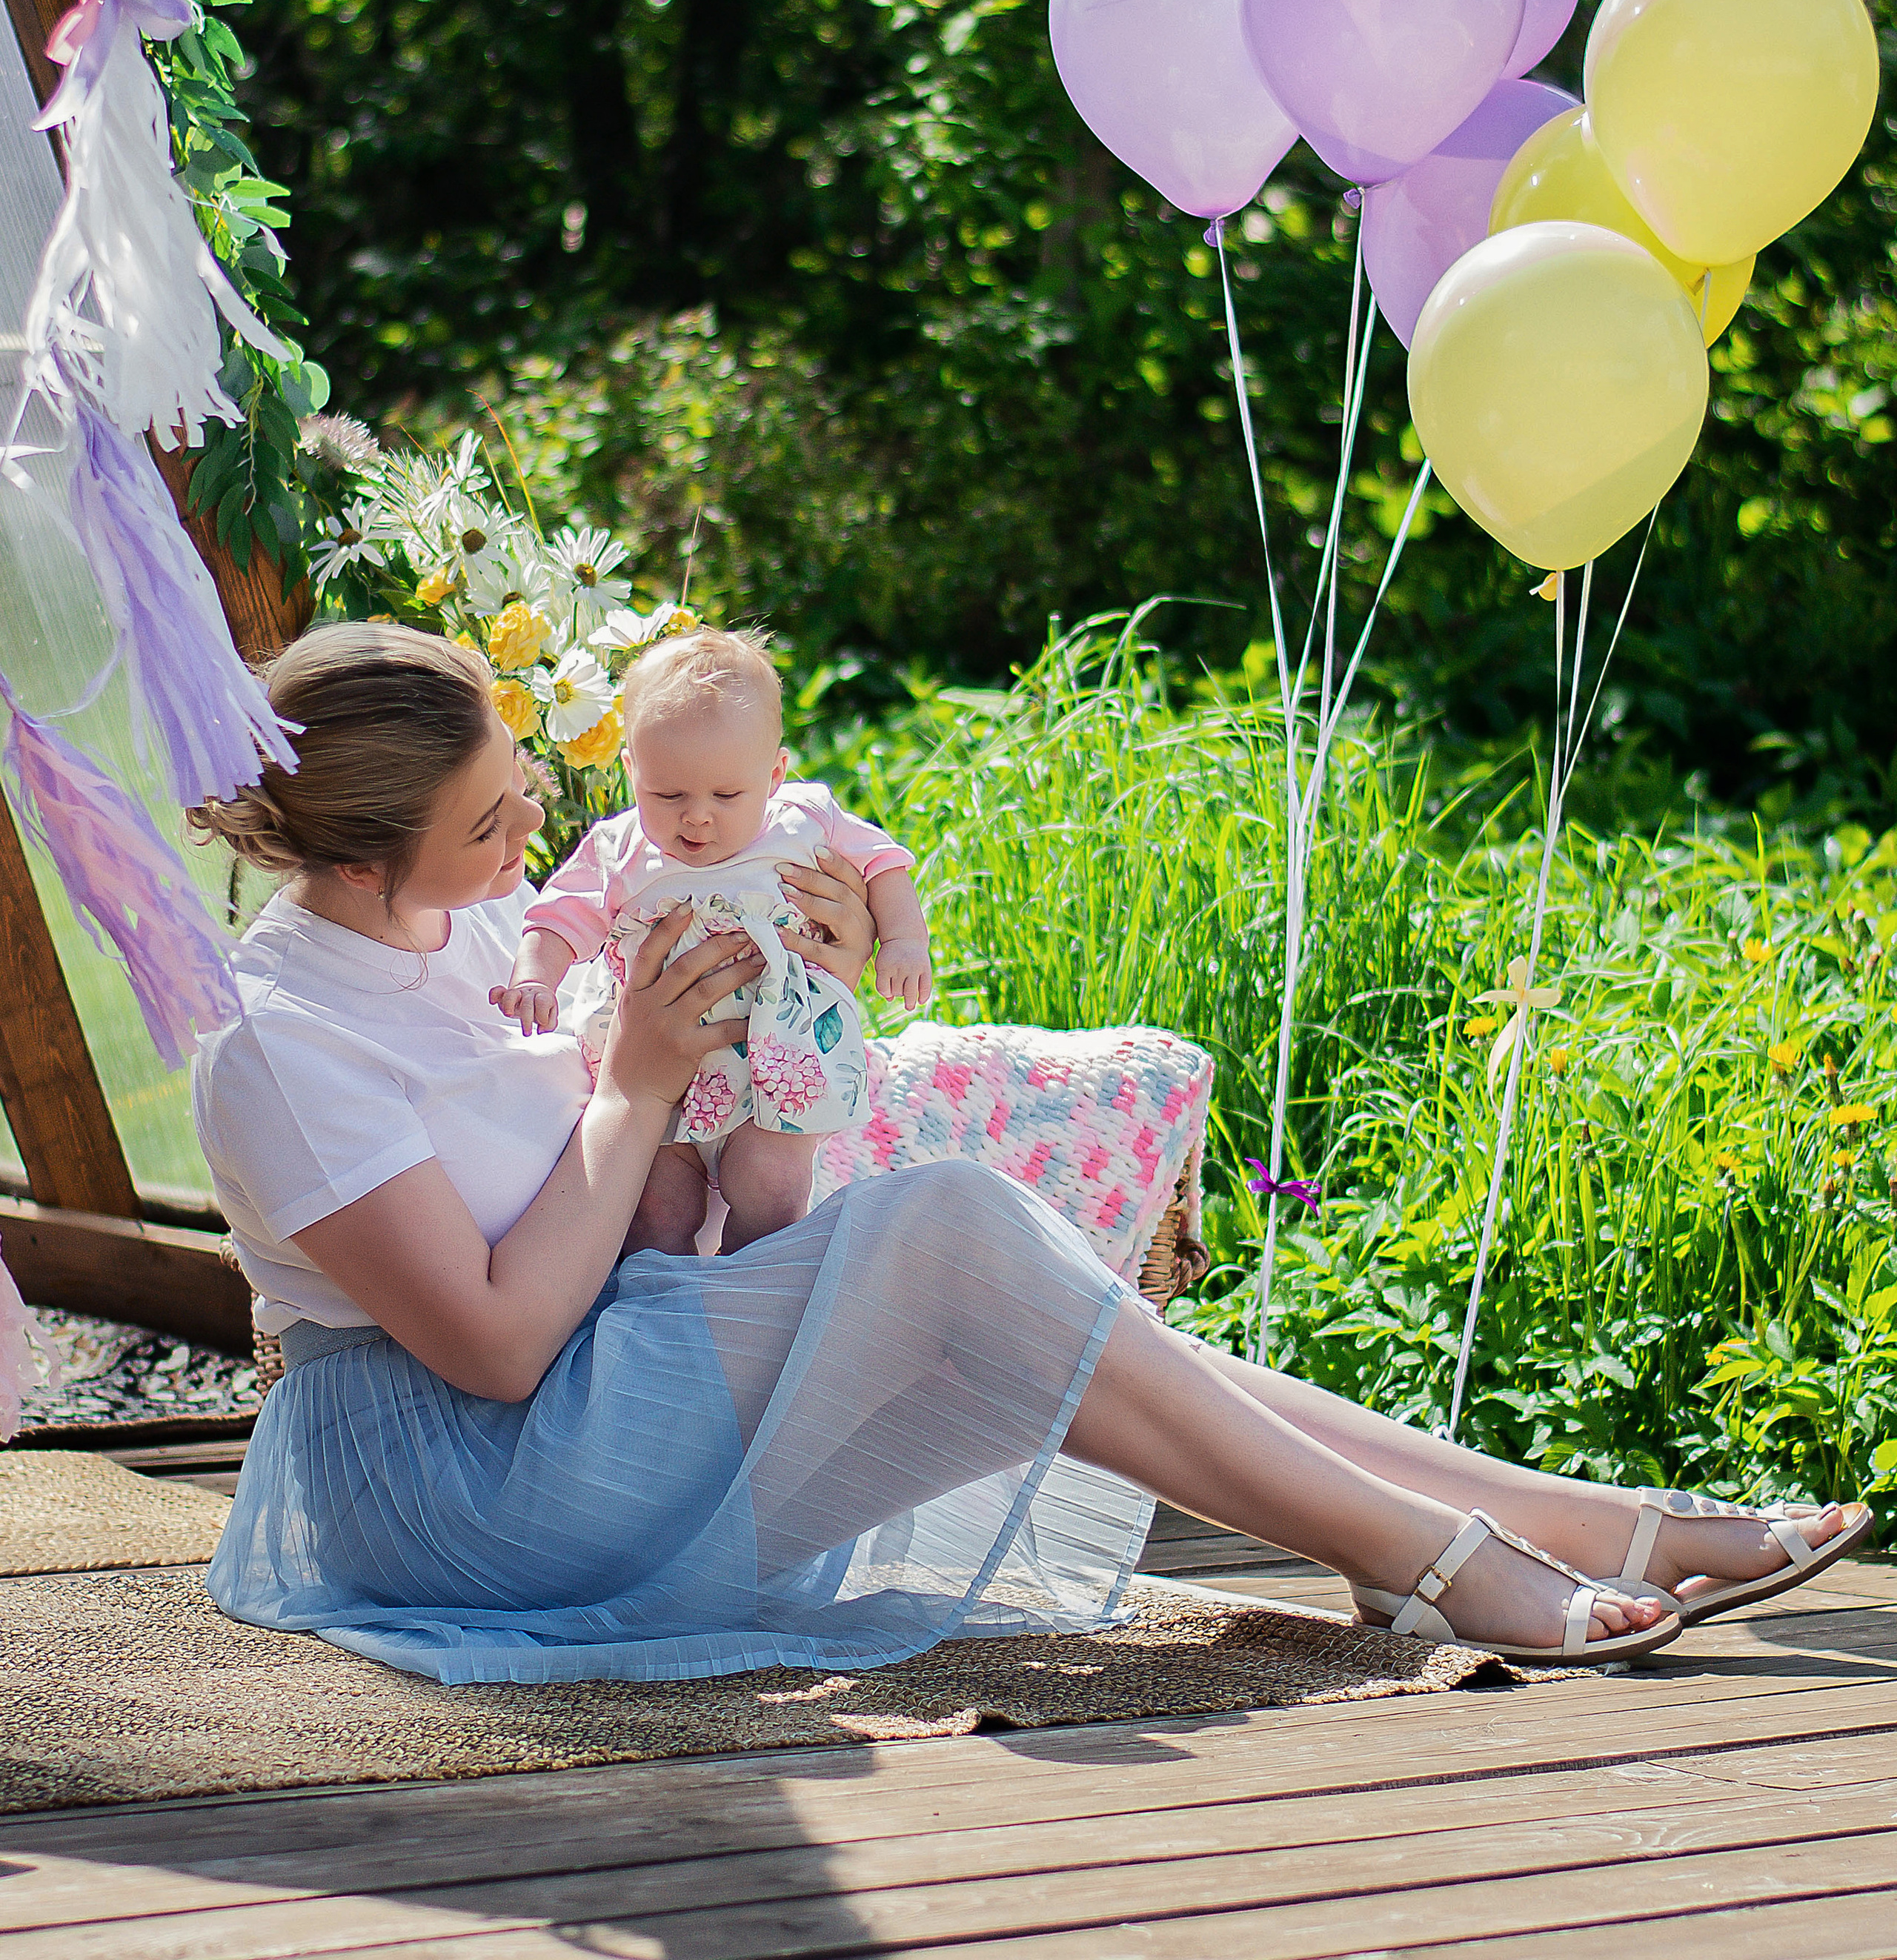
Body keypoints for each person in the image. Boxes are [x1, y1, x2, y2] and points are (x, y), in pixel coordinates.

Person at [189, 624, 1868, 1689]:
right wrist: (630, 1085)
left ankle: (1552, 1530)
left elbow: (650, 1107)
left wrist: (805, 977)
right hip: (473, 1486)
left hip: (617, 1367)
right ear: (347, 852)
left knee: (1031, 1291)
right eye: (488, 823)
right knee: (952, 1237)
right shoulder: (281, 1044)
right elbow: (487, 1342)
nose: (530, 841)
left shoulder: (459, 927)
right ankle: (1455, 1560)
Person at [496, 625, 931, 1256]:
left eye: (728, 795)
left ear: (776, 772)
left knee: (773, 1186)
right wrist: (535, 975)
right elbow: (559, 914)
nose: (696, 816)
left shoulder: (807, 817)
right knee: (655, 1210)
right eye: (666, 794)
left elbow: (884, 864)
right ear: (631, 769)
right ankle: (668, 1319)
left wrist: (903, 941)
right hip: (661, 1072)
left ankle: (755, 1295)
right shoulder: (621, 850)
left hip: (777, 1062)